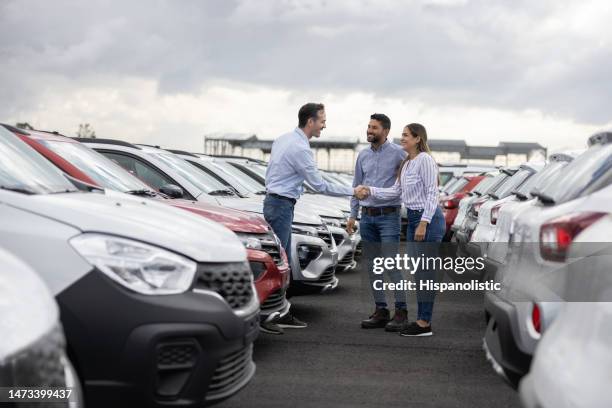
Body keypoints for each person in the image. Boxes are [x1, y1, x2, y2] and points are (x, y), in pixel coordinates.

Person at [264, 102, 358, 330]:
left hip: (276, 202)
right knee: (279, 262)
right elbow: (319, 185)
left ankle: (279, 311)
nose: (324, 126)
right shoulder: (300, 148)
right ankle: (271, 316)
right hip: (281, 206)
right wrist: (353, 190)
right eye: (322, 121)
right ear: (310, 122)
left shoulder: (283, 139)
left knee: (278, 259)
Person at [356, 123, 445, 337]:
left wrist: (423, 222)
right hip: (415, 218)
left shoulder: (424, 160)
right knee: (417, 272)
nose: (402, 138)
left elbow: (433, 193)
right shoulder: (407, 163)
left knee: (424, 273)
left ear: (417, 139)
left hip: (428, 219)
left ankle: (424, 323)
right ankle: (422, 320)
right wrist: (369, 191)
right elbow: (394, 191)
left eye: (405, 135)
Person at [348, 113, 408, 331]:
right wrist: (353, 215)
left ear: (386, 131)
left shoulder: (399, 154)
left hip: (389, 217)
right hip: (367, 218)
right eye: (369, 126)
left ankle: (401, 311)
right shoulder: (362, 155)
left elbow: (405, 184)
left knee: (390, 264)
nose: (370, 131)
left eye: (374, 127)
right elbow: (356, 186)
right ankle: (381, 310)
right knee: (373, 267)